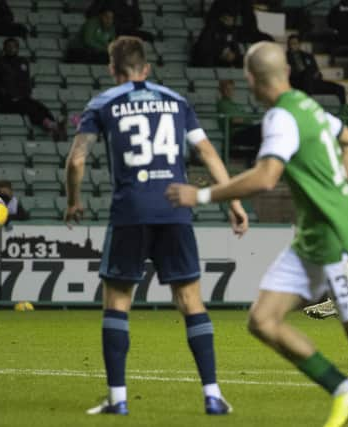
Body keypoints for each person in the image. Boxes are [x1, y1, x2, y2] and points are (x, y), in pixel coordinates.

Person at [165, 41, 348, 427]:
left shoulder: (281, 117)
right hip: (314, 237)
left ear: (251, 80)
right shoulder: (311, 108)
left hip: (339, 239)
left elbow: (266, 177)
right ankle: (344, 389)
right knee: (263, 319)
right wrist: (334, 182)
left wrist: (201, 194)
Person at [65, 36, 248, 416]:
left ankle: (118, 399)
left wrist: (74, 201)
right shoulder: (176, 102)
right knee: (191, 302)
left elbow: (77, 160)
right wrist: (232, 200)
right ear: (146, 68)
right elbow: (207, 152)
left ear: (112, 70)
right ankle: (213, 395)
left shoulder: (103, 103)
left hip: (130, 211)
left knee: (117, 302)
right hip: (175, 209)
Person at [0, 38, 67, 141]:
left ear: (18, 48)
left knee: (39, 106)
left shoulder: (23, 62)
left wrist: (25, 93)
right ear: (4, 48)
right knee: (29, 108)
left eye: (14, 46)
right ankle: (51, 125)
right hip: (7, 103)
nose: (11, 49)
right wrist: (4, 94)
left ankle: (54, 125)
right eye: (9, 46)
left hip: (22, 98)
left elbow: (26, 81)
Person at [287, 35, 345, 105]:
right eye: (291, 44)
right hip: (298, 83)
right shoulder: (285, 57)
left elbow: (316, 70)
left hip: (313, 82)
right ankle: (308, 103)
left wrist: (317, 74)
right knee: (307, 73)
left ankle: (343, 110)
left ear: (299, 44)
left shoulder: (308, 56)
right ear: (288, 45)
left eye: (295, 43)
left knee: (340, 88)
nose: (292, 46)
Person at [216, 79, 260, 164]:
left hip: (245, 131)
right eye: (226, 89)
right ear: (221, 90)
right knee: (261, 129)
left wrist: (245, 119)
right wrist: (246, 119)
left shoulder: (236, 105)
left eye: (231, 89)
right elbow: (235, 120)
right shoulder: (222, 104)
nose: (229, 91)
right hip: (235, 134)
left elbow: (245, 119)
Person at [85, 0, 154, 42]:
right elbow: (90, 14)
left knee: (149, 37)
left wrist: (132, 6)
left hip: (128, 32)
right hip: (112, 31)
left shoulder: (132, 1)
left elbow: (139, 22)